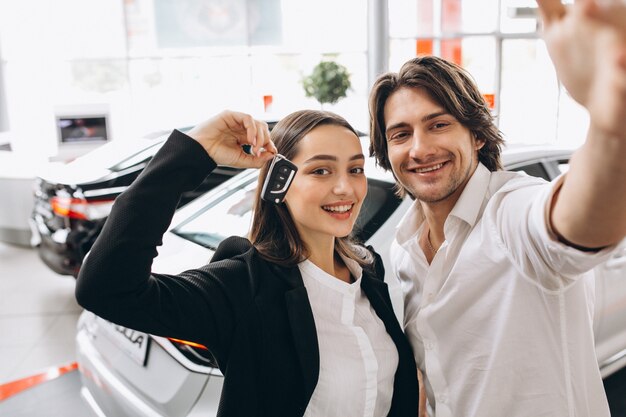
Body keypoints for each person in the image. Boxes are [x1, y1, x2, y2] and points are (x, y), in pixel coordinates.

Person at [367, 0, 626, 416]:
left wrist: (612, 123)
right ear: (386, 150)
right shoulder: (403, 250)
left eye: (439, 124)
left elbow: (572, 225)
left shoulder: (510, 211)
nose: (419, 149)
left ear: (478, 136)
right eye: (400, 134)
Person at [75, 109, 419, 417]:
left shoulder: (367, 270)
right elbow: (106, 288)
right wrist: (193, 152)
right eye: (321, 171)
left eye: (355, 168)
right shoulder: (244, 287)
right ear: (278, 183)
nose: (346, 187)